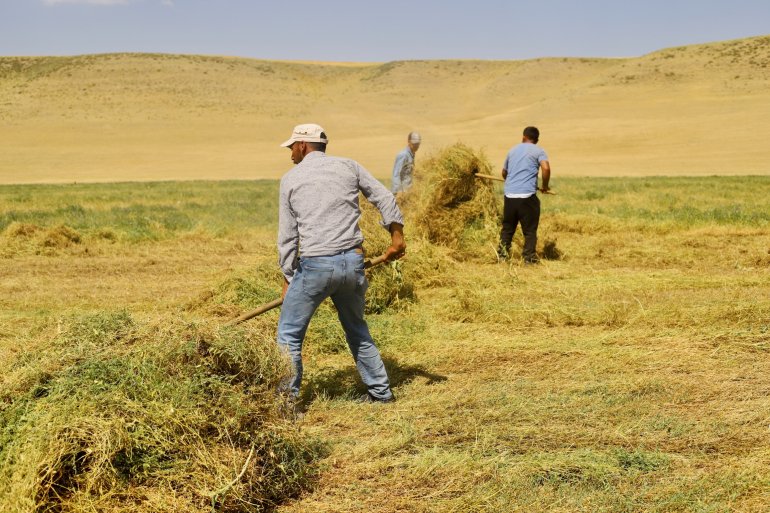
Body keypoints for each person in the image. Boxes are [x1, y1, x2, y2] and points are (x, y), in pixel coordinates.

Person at [276, 123, 406, 403]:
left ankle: (286, 404)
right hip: (352, 263)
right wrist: (397, 237)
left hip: (315, 266)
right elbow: (384, 197)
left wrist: (288, 277)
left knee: (289, 336)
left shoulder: (291, 178)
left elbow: (288, 237)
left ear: (302, 146)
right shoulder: (350, 166)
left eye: (291, 148)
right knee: (357, 329)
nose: (290, 155)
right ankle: (381, 394)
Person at [497, 126, 551, 264]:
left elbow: (504, 173)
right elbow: (545, 167)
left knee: (508, 228)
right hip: (527, 197)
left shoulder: (512, 150)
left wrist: (511, 179)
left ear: (523, 137)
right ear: (536, 140)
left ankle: (502, 256)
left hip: (509, 196)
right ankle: (529, 258)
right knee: (530, 230)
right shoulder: (539, 151)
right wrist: (544, 186)